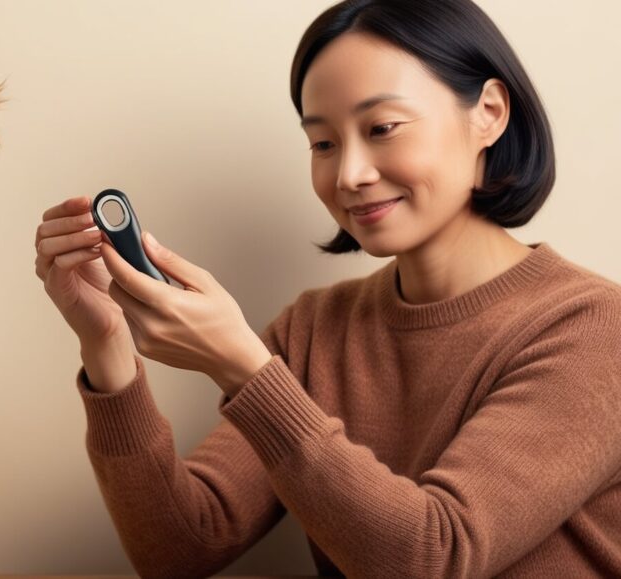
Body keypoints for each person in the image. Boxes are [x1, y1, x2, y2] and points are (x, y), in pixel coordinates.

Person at [33, 0, 621, 576]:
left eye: (382, 128)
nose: (349, 175)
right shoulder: (318, 328)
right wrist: (106, 345)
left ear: (489, 113)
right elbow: (181, 549)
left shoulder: (593, 330)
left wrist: (245, 370)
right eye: (323, 143)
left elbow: (433, 557)